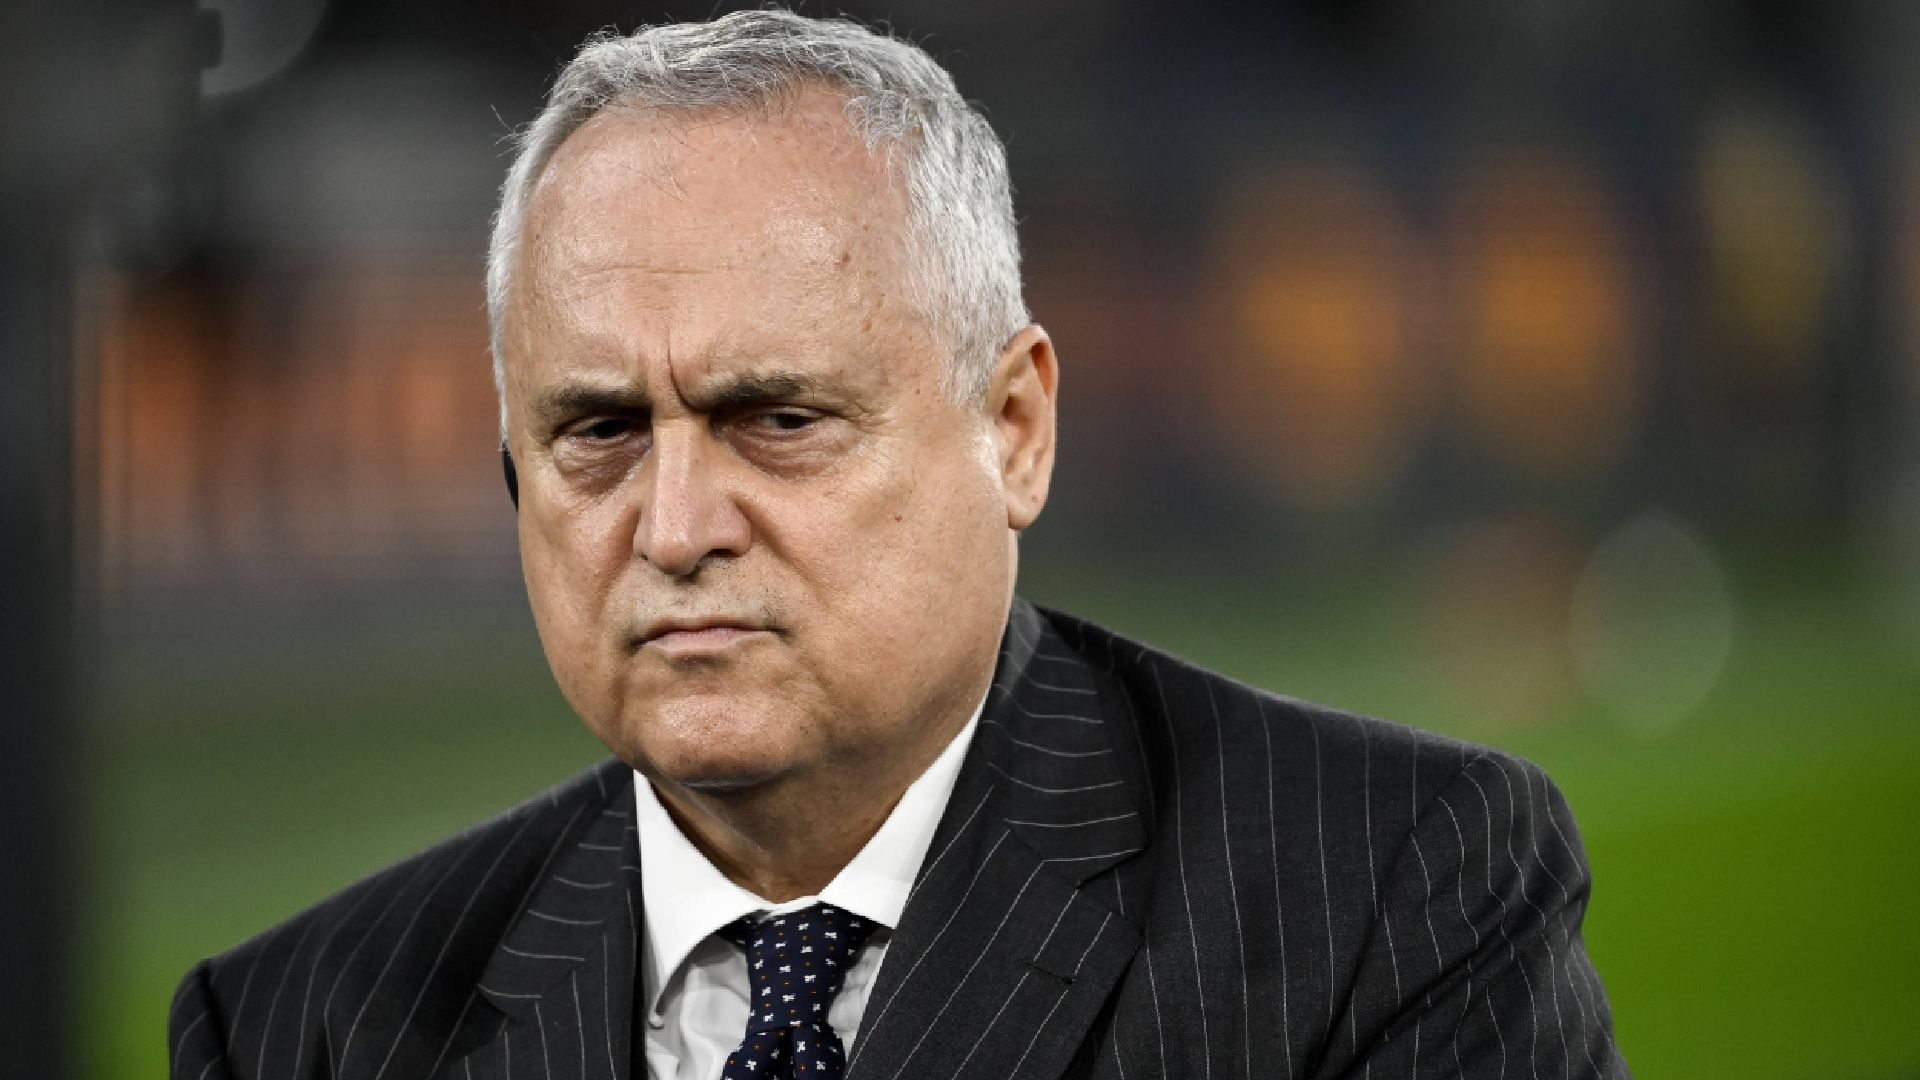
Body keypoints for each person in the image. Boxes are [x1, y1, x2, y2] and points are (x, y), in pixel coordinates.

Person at [169, 10, 1627, 1079]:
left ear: (1015, 430)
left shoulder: (1389, 898)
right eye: (600, 432)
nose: (674, 530)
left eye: (779, 419)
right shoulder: (296, 1033)